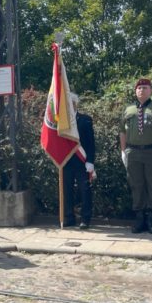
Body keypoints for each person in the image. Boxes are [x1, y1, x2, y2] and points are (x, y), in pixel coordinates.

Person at [119, 78, 152, 234]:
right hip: (133, 152)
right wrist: (123, 151)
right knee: (136, 185)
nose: (142, 90)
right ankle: (139, 217)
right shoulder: (128, 110)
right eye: (139, 88)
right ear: (135, 91)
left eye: (145, 87)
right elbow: (122, 131)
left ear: (151, 91)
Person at [62, 94, 96, 229]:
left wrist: (91, 161)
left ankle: (85, 219)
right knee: (67, 190)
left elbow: (91, 143)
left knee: (85, 190)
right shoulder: (62, 122)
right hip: (66, 161)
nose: (69, 106)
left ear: (75, 104)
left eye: (70, 103)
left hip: (82, 161)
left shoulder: (85, 120)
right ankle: (69, 217)